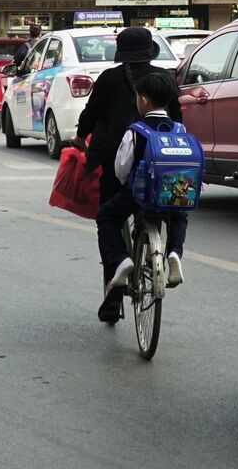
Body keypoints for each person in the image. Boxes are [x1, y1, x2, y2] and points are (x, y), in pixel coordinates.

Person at [77, 27, 186, 321]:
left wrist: (79, 137)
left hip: (115, 159)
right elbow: (178, 119)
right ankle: (167, 252)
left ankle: (116, 275)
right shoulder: (165, 79)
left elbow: (90, 113)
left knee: (108, 215)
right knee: (164, 205)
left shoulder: (109, 79)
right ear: (150, 50)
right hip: (160, 163)